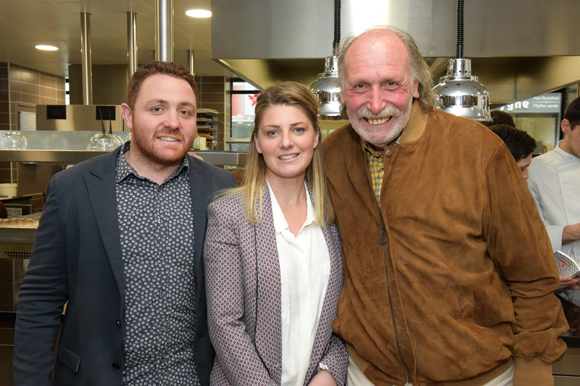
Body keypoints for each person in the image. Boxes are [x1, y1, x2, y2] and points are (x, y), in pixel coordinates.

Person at [323, 26, 567, 386]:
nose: (375, 104)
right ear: (343, 92)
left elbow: (531, 273)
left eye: (391, 83)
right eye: (360, 86)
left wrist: (534, 366)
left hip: (476, 373)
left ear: (418, 85)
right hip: (368, 374)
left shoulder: (479, 151)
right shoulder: (332, 154)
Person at [13, 61, 236, 386]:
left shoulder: (220, 187)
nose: (173, 122)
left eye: (185, 112)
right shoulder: (72, 188)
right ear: (128, 115)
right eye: (157, 108)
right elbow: (40, 300)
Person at [203, 81, 348, 386]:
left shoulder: (334, 216)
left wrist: (329, 373)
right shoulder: (230, 214)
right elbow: (224, 323)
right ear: (257, 142)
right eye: (272, 132)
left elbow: (343, 317)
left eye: (298, 129)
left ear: (316, 136)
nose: (286, 142)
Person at [527, 96, 580, 305]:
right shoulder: (534, 170)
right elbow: (526, 233)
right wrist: (569, 232)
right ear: (566, 126)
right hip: (559, 288)